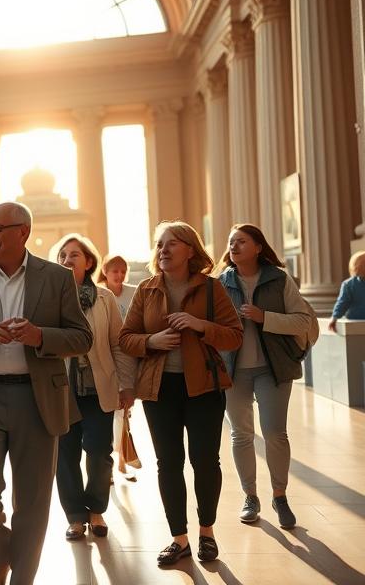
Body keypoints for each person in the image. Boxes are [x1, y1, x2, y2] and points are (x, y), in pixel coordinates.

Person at [0, 201, 93, 585]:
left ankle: (23, 577)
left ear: (23, 231)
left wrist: (41, 336)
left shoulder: (56, 277)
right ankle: (3, 555)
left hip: (38, 399)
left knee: (33, 501)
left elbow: (81, 337)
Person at [119, 221, 242, 567]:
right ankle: (179, 539)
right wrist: (151, 341)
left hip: (203, 387)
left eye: (172, 243)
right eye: (160, 244)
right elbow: (126, 338)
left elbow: (234, 336)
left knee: (205, 461)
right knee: (168, 464)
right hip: (160, 390)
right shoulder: (147, 289)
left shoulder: (211, 289)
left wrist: (200, 325)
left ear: (191, 250)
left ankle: (207, 533)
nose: (164, 250)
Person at [215, 223, 315, 529]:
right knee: (240, 434)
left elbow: (303, 321)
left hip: (273, 369)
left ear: (258, 246)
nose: (233, 246)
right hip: (233, 371)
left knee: (275, 433)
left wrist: (264, 318)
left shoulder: (278, 279)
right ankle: (250, 497)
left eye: (241, 241)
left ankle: (279, 496)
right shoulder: (220, 283)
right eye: (231, 242)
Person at [50, 234, 135, 541]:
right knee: (65, 456)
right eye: (62, 255)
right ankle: (75, 516)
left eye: (74, 254)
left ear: (88, 262)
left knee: (100, 451)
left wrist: (127, 385)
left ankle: (95, 509)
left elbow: (118, 344)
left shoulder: (104, 298)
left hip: (100, 388)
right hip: (61, 391)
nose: (67, 259)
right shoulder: (49, 298)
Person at [98, 254, 141, 480]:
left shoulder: (134, 292)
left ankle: (122, 461)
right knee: (110, 412)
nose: (119, 275)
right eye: (115, 271)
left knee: (124, 412)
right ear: (105, 271)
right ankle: (110, 465)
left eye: (123, 271)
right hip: (105, 361)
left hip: (127, 359)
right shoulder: (99, 295)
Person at [328, 250, 365, 331]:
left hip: (354, 322)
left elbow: (342, 302)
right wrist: (335, 317)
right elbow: (342, 303)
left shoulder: (348, 284)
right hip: (355, 322)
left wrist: (334, 318)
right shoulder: (349, 284)